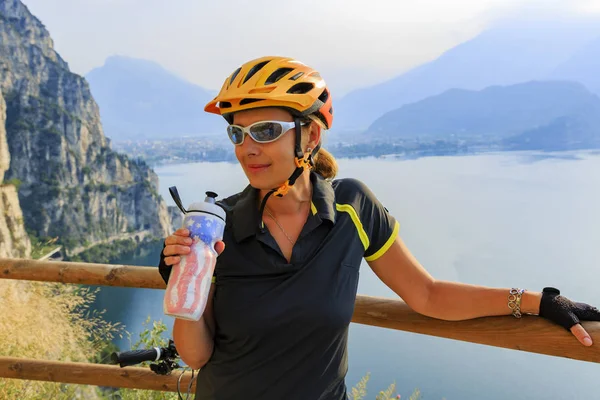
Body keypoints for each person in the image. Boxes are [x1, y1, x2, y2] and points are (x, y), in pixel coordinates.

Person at [158, 56, 600, 400]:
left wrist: (536, 301)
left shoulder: (352, 207)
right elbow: (196, 355)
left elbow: (427, 294)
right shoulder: (216, 229)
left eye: (266, 131)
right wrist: (185, 281)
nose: (247, 149)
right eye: (238, 134)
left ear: (310, 137)